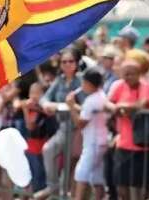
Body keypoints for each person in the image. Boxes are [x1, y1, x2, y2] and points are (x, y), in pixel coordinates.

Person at [36, 48, 84, 199]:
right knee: (48, 150)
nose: (67, 64)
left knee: (71, 165)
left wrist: (71, 106)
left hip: (79, 129)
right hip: (63, 128)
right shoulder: (59, 80)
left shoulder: (82, 81)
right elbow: (44, 98)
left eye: (71, 61)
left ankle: (67, 194)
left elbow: (87, 105)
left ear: (77, 63)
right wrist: (49, 105)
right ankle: (53, 187)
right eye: (64, 62)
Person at [108, 59, 149, 200]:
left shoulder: (146, 86)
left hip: (143, 145)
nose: (128, 77)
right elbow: (108, 103)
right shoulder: (119, 85)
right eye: (125, 74)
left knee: (142, 189)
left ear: (139, 74)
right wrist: (116, 108)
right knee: (121, 185)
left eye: (131, 74)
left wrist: (121, 106)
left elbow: (142, 103)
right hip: (123, 144)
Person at [66, 68, 109, 200]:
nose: (82, 86)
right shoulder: (101, 95)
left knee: (81, 174)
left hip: (93, 143)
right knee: (96, 177)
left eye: (84, 82)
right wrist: (74, 106)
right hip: (100, 141)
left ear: (90, 84)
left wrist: (71, 106)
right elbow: (87, 112)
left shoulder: (91, 100)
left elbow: (80, 123)